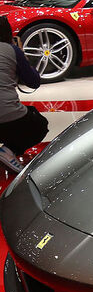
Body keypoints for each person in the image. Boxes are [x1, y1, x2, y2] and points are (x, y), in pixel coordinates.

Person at [0, 16, 48, 174]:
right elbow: (33, 82)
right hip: (7, 117)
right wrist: (21, 54)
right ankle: (8, 150)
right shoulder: (11, 50)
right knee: (39, 124)